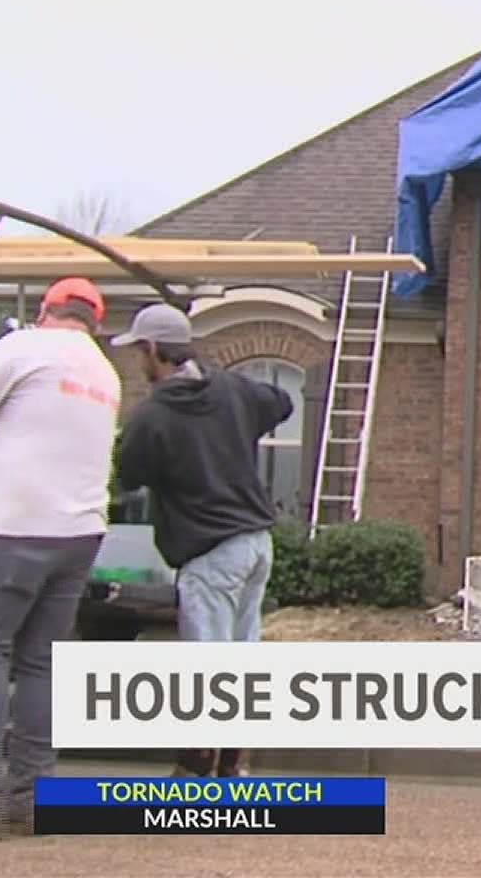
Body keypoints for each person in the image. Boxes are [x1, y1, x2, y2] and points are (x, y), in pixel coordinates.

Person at [0, 279, 121, 841]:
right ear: (94, 321)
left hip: (7, 526)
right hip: (76, 534)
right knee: (40, 664)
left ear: (47, 309)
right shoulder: (105, 372)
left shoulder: (23, 347)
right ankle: (32, 800)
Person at [111, 303, 293, 778]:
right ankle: (234, 765)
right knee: (240, 656)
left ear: (153, 350)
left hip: (209, 549)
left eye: (139, 353)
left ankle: (195, 770)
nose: (139, 363)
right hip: (256, 541)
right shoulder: (232, 390)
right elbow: (281, 402)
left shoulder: (152, 416)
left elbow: (128, 474)